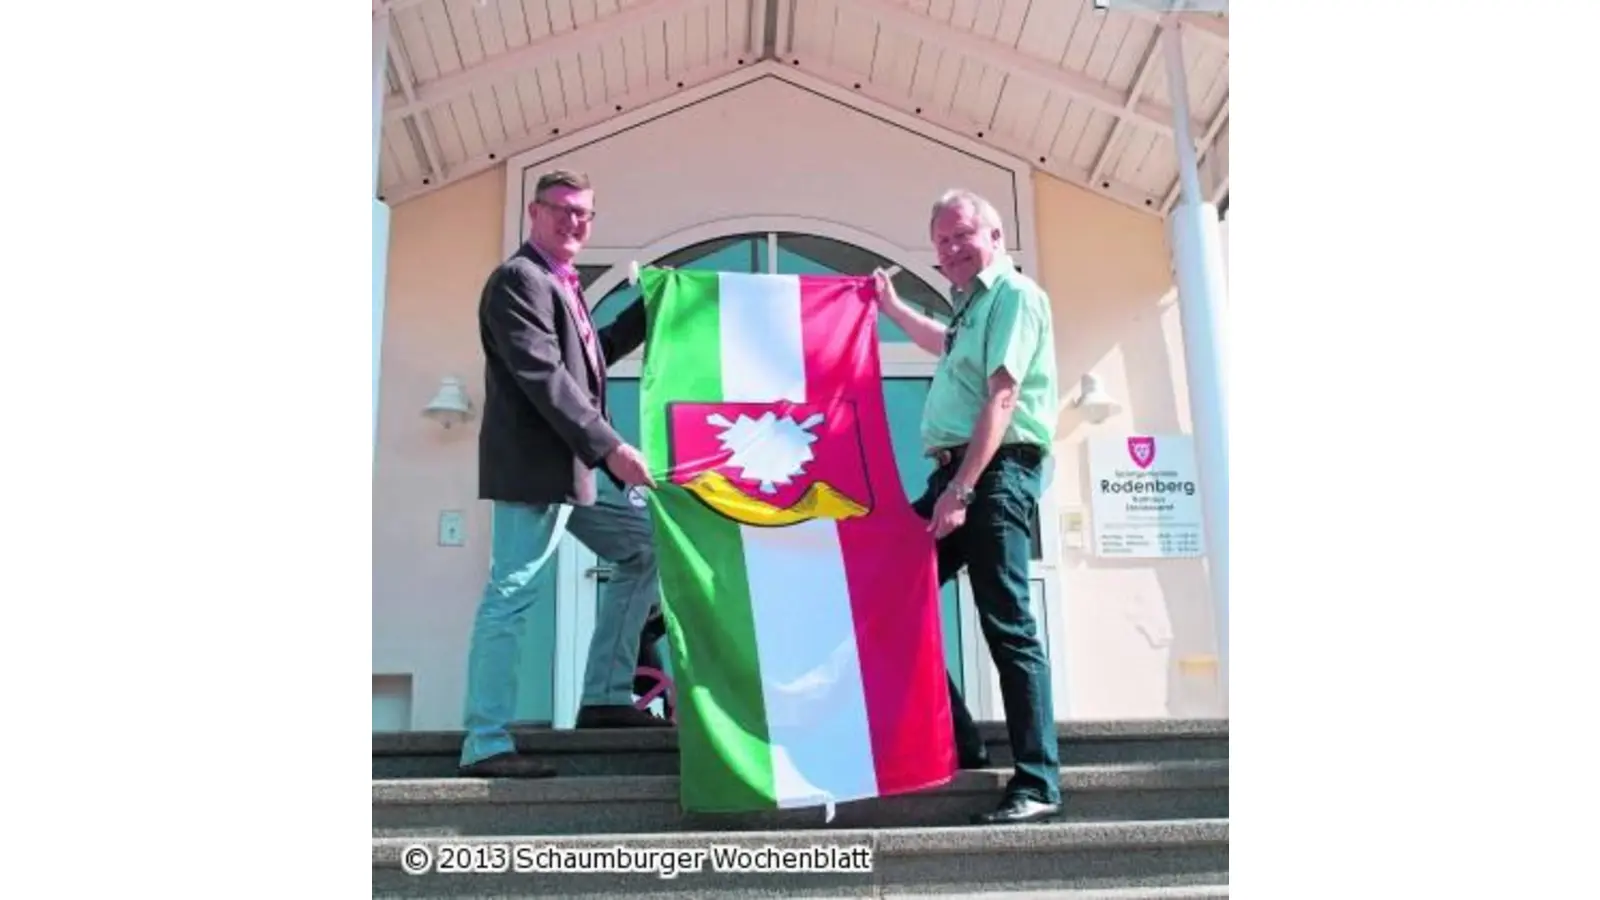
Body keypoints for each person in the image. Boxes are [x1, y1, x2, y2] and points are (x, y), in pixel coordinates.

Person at [459, 169, 667, 780]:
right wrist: (611, 448)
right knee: (512, 593)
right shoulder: (519, 280)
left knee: (644, 549)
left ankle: (604, 698)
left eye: (583, 214)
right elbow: (544, 376)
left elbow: (589, 359)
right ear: (534, 212)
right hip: (535, 471)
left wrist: (653, 307)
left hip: (573, 475)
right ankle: (486, 741)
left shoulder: (561, 285)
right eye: (562, 209)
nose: (573, 221)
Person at [872, 188, 1062, 825]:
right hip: (956, 474)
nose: (951, 249)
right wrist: (894, 309)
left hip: (993, 472)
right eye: (942, 241)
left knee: (1007, 622)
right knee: (890, 591)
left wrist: (962, 490)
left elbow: (1002, 396)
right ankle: (963, 740)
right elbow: (946, 345)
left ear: (995, 236)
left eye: (962, 236)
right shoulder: (970, 309)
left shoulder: (1013, 295)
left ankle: (1037, 781)